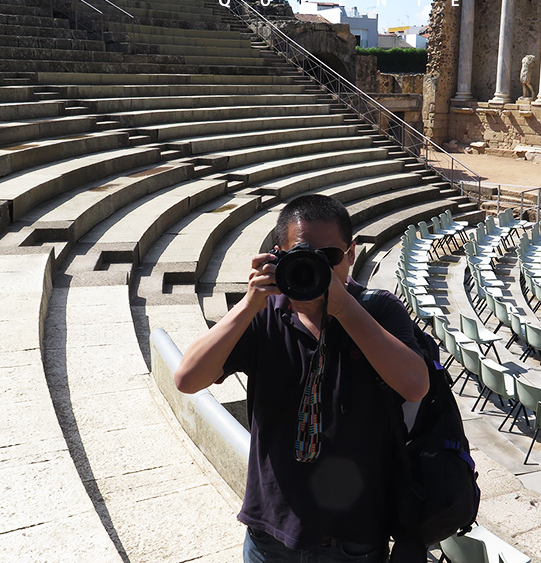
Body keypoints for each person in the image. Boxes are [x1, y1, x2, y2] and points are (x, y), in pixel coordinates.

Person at [175, 194, 429, 562]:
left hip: (352, 537)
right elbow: (187, 378)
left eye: (330, 257)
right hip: (271, 531)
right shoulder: (264, 315)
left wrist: (343, 308)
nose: (319, 269)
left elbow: (415, 385)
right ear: (279, 255)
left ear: (352, 253)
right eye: (305, 256)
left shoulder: (378, 309)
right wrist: (248, 305)